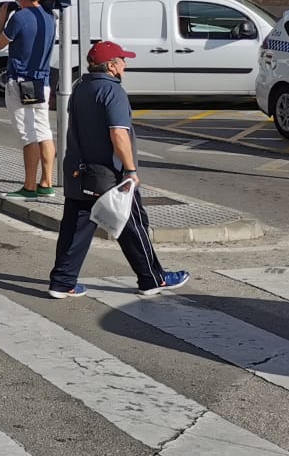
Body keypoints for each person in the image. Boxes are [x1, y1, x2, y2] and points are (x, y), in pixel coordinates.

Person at [48, 41, 190, 299]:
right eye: (122, 60)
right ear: (111, 66)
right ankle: (153, 278)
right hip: (109, 175)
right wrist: (130, 170)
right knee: (134, 223)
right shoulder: (112, 92)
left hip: (79, 173)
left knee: (77, 228)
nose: (126, 64)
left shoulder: (80, 87)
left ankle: (62, 281)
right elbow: (118, 134)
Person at [0, 0, 56, 199]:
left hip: (20, 80)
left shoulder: (19, 18)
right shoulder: (49, 17)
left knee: (28, 135)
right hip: (41, 81)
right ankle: (46, 182)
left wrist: (2, 19)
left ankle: (29, 186)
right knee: (43, 131)